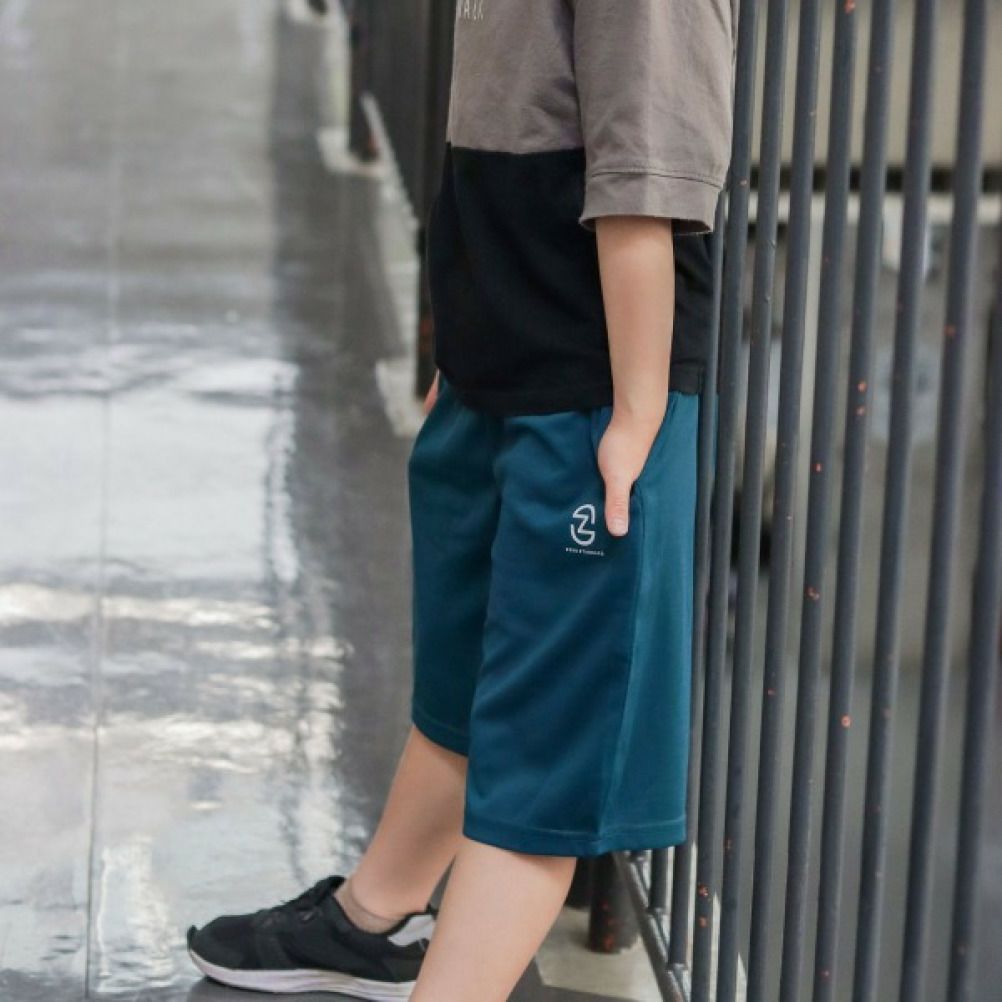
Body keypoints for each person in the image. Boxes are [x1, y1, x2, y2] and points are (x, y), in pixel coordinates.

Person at [187, 0, 737, 997]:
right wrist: (468, 349)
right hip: (503, 358)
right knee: (465, 683)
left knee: (543, 776)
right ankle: (372, 919)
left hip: (588, 384)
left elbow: (642, 182)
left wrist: (635, 412)